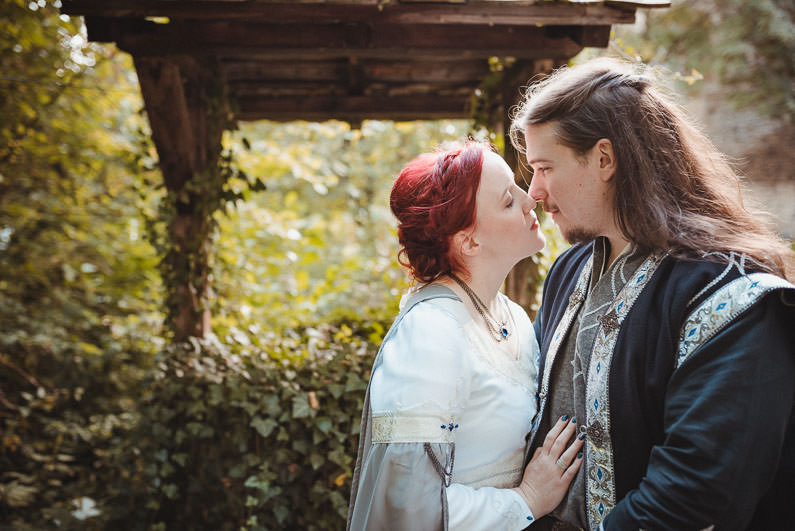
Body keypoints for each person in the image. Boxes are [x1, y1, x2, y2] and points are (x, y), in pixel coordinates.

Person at [509, 57, 795, 530]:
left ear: (604, 159)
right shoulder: (570, 270)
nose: (535, 190)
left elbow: (698, 488)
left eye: (544, 167)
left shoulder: (733, 295)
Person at [347, 141, 585, 530]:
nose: (531, 201)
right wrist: (526, 500)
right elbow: (405, 509)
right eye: (509, 200)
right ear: (469, 241)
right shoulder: (431, 333)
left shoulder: (514, 318)